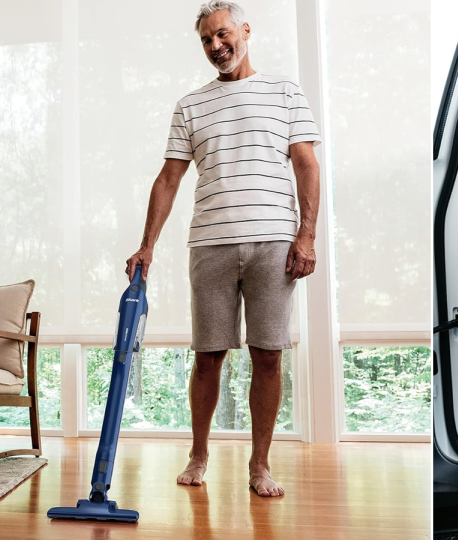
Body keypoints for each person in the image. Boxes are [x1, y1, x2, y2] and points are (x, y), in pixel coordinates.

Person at [124, 0, 321, 497]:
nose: (216, 45)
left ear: (245, 30)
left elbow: (307, 166)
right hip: (209, 245)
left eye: (223, 34)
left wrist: (307, 235)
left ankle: (260, 465)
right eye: (207, 40)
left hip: (274, 242)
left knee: (268, 355)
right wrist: (146, 245)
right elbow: (169, 178)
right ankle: (198, 453)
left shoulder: (284, 91)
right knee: (208, 357)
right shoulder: (190, 105)